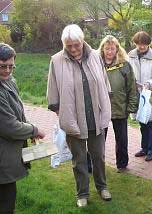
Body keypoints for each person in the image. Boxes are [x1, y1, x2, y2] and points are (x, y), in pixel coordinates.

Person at [47, 24, 112, 207]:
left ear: (83, 41)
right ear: (64, 45)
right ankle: (82, 193)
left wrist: (107, 103)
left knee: (98, 156)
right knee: (79, 160)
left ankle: (102, 187)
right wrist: (59, 110)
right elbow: (52, 89)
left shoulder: (95, 57)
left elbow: (105, 82)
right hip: (72, 119)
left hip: (95, 118)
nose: (74, 49)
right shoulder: (56, 60)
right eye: (69, 46)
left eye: (77, 44)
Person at [0, 43, 45, 213]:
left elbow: (17, 111)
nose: (8, 71)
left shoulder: (6, 79)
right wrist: (33, 130)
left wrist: (28, 127)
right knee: (3, 208)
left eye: (11, 66)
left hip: (3, 158)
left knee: (7, 204)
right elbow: (9, 126)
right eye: (2, 66)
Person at [98, 35, 138, 172]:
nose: (109, 51)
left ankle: (122, 164)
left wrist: (131, 106)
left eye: (112, 48)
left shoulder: (125, 65)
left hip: (120, 107)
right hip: (101, 108)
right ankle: (96, 164)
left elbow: (132, 87)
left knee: (121, 139)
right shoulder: (96, 64)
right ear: (102, 49)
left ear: (117, 49)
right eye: (107, 48)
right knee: (98, 139)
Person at [128, 31, 152, 161]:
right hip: (137, 94)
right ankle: (144, 148)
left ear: (148, 44)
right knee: (142, 123)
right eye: (139, 44)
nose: (141, 47)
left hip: (150, 95)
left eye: (144, 44)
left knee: (151, 124)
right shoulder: (130, 56)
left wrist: (149, 84)